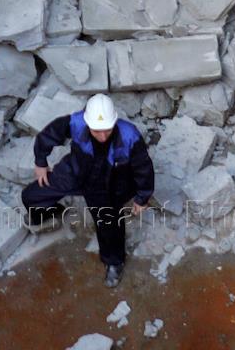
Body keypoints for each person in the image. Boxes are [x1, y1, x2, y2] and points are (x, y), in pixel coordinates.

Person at [21, 93, 154, 287]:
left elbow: (143, 168)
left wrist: (142, 197)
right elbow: (49, 134)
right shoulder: (76, 123)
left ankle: (114, 263)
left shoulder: (129, 136)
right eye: (97, 131)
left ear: (114, 122)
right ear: (87, 123)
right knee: (31, 196)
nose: (102, 136)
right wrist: (40, 162)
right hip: (76, 173)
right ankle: (51, 213)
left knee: (109, 226)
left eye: (107, 130)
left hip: (110, 185)